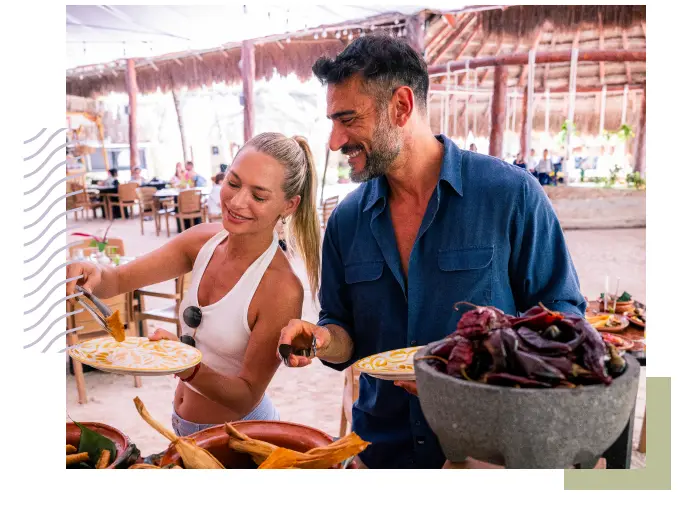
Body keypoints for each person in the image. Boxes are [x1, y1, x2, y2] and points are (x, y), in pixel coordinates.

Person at [278, 36, 586, 469]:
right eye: (332, 121)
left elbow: (565, 319)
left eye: (347, 119)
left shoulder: (510, 194)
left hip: (488, 450)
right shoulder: (346, 222)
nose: (334, 141)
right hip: (379, 450)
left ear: (401, 106)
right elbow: (343, 331)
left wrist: (468, 377)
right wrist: (322, 339)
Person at [67, 133, 321, 436]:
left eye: (259, 196)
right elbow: (118, 279)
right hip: (183, 424)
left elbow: (246, 395)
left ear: (289, 205)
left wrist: (185, 364)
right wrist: (90, 273)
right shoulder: (202, 241)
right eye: (233, 183)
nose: (238, 202)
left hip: (238, 433)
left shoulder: (281, 288)